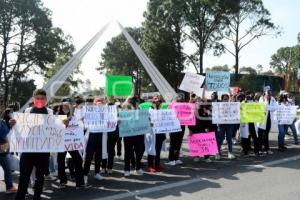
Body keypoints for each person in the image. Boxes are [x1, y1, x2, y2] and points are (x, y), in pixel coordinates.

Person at [13, 89, 68, 200]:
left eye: (42, 98)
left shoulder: (50, 112)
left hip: (43, 152)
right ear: (33, 99)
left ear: (46, 100)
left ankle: (37, 197)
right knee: (24, 177)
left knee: (40, 178)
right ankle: (20, 197)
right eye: (37, 98)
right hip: (27, 151)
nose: (40, 100)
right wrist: (12, 124)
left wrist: (64, 125)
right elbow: (21, 129)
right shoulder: (27, 111)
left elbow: (55, 130)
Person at [56, 99, 85, 188]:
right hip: (61, 143)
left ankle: (79, 183)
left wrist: (80, 122)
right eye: (64, 105)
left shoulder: (74, 116)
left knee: (78, 160)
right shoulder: (57, 116)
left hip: (71, 143)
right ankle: (62, 181)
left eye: (68, 105)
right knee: (60, 161)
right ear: (61, 106)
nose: (66, 107)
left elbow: (78, 127)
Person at [122, 96, 145, 177]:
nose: (136, 103)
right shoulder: (125, 110)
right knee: (128, 152)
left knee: (140, 151)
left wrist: (148, 123)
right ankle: (126, 169)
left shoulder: (140, 110)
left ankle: (138, 168)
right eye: (134, 101)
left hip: (139, 134)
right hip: (128, 134)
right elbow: (121, 120)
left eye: (136, 101)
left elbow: (145, 120)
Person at [147, 95, 166, 172]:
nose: (157, 101)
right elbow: (148, 120)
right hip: (153, 133)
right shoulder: (150, 110)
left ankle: (157, 164)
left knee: (158, 150)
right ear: (153, 101)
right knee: (152, 149)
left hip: (160, 133)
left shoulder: (161, 110)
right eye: (155, 99)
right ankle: (150, 165)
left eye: (159, 100)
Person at [0, 108, 17, 193]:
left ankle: (10, 187)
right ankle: (9, 187)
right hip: (2, 151)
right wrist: (9, 127)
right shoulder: (1, 121)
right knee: (7, 169)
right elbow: (2, 134)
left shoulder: (2, 121)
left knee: (7, 169)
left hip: (3, 150)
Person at [166, 95, 185, 166]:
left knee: (178, 142)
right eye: (179, 100)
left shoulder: (184, 106)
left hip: (181, 126)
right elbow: (167, 113)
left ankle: (176, 158)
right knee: (173, 143)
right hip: (173, 126)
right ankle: (171, 159)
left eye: (181, 101)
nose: (180, 102)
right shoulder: (171, 106)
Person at [258, 86, 277, 154]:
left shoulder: (273, 99)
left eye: (270, 91)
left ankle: (267, 149)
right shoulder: (261, 98)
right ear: (264, 92)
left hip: (269, 119)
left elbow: (274, 108)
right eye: (268, 91)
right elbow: (262, 107)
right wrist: (266, 101)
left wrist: (267, 107)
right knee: (260, 135)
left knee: (266, 135)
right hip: (262, 120)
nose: (269, 93)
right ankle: (259, 149)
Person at [217, 94, 236, 160]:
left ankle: (230, 152)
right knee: (220, 139)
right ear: (222, 99)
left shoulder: (231, 105)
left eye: (227, 99)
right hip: (221, 125)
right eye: (224, 99)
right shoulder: (218, 106)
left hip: (229, 125)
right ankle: (218, 153)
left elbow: (235, 111)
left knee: (229, 139)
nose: (226, 100)